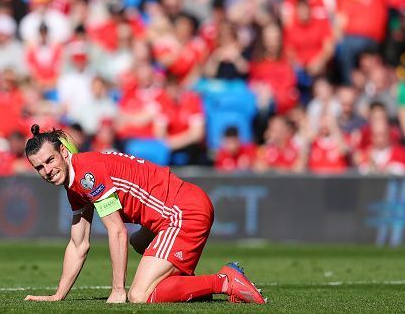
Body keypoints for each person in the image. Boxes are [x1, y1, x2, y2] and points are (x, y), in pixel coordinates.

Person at [24, 124, 266, 304]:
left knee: (139, 295)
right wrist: (58, 295)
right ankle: (192, 290)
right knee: (138, 241)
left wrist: (118, 291)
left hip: (183, 212)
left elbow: (116, 230)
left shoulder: (87, 175)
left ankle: (224, 280)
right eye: (40, 167)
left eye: (50, 160)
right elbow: (78, 244)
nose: (47, 170)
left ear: (64, 153)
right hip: (177, 209)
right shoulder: (75, 183)